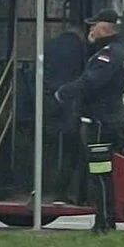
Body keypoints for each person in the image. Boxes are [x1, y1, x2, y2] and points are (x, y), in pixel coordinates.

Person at [54, 8, 124, 235]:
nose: (90, 29)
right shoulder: (119, 52)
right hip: (110, 119)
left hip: (99, 123)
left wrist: (62, 93)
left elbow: (90, 81)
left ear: (105, 28)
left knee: (99, 175)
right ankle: (105, 221)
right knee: (101, 174)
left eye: (94, 25)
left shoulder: (108, 54)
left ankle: (103, 224)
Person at [43, 24, 87, 201]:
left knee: (51, 147)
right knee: (71, 149)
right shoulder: (82, 49)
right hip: (72, 104)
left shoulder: (50, 45)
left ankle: (48, 185)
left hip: (49, 101)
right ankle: (67, 190)